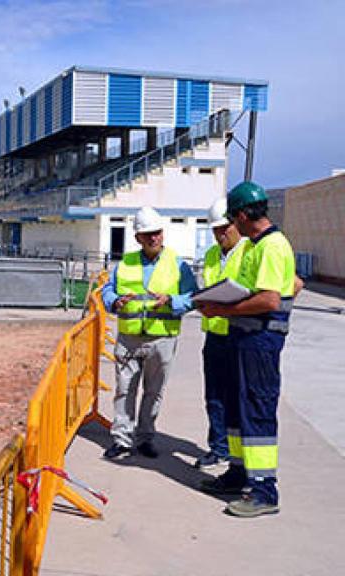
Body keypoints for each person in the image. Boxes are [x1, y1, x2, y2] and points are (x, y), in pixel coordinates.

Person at [197, 181, 297, 517]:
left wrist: (222, 309)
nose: (231, 227)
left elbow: (269, 298)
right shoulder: (256, 246)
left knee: (257, 410)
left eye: (233, 220)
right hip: (245, 340)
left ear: (242, 215)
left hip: (261, 341)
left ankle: (264, 490)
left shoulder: (272, 246)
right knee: (238, 410)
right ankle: (239, 473)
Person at [101, 207, 198, 459]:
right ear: (138, 238)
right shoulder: (125, 263)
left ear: (162, 233)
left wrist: (172, 301)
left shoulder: (178, 265)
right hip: (129, 338)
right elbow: (107, 290)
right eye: (147, 234)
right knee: (124, 389)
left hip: (161, 338)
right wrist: (115, 301)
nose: (153, 238)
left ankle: (145, 437)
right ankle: (122, 440)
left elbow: (193, 296)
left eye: (156, 233)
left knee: (153, 392)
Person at [194, 197, 248, 469]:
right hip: (214, 335)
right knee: (214, 396)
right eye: (215, 229)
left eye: (224, 227)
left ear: (236, 224)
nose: (220, 233)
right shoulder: (212, 255)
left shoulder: (249, 251)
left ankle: (238, 454)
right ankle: (219, 447)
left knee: (236, 396)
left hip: (239, 334)